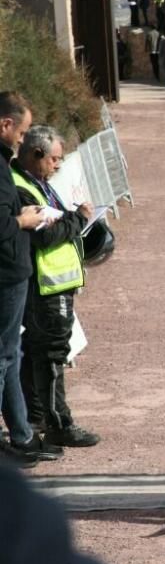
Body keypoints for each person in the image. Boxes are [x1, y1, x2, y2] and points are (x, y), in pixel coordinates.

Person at [12, 126, 101, 448]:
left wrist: (69, 220)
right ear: (36, 155)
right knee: (50, 353)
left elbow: (53, 223)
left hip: (53, 282)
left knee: (37, 352)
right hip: (45, 285)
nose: (58, 166)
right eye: (54, 160)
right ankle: (58, 423)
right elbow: (45, 235)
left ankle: (35, 417)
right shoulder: (22, 188)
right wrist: (78, 220)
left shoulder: (36, 182)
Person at [0, 93, 60, 468]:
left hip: (12, 271)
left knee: (11, 355)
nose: (22, 141)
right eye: (21, 133)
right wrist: (22, 220)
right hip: (6, 274)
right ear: (5, 125)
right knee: (4, 357)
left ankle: (21, 434)